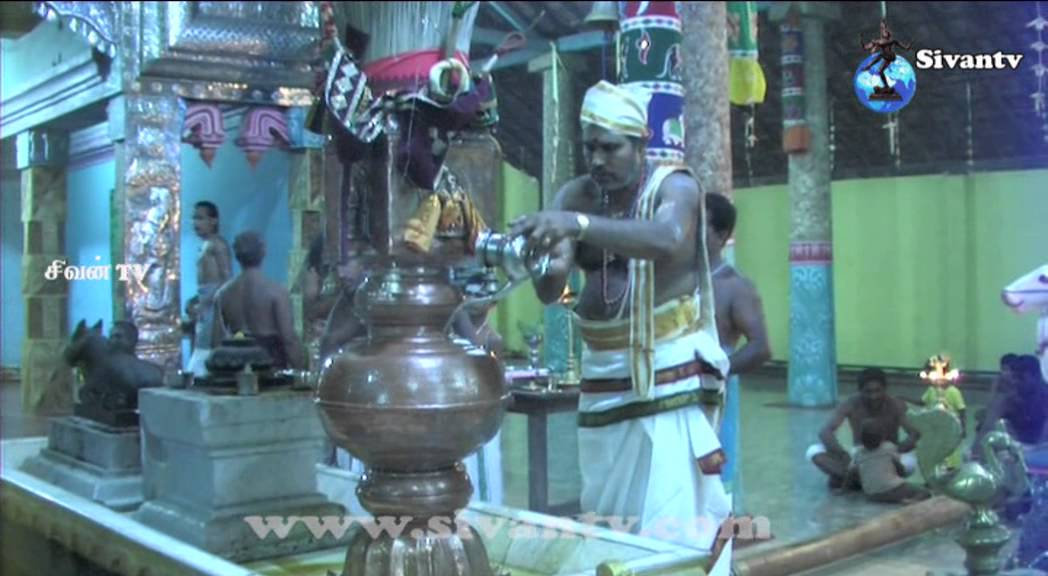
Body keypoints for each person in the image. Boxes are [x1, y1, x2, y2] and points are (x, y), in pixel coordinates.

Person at [509, 80, 731, 552]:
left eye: (610, 148)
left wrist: (577, 225)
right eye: (590, 147)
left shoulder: (676, 186)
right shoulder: (576, 195)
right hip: (602, 373)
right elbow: (550, 291)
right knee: (609, 515)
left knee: (670, 514)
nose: (597, 160)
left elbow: (667, 239)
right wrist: (540, 262)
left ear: (641, 142)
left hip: (666, 369)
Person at [704, 192, 772, 514]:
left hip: (714, 396)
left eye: (698, 226)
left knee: (715, 468)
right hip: (669, 392)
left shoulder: (734, 286)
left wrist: (718, 370)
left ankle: (721, 533)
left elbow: (761, 347)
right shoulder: (670, 279)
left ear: (721, 235)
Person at [807, 368, 921, 490]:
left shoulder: (896, 405)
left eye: (877, 391)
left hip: (888, 456)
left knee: (910, 464)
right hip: (860, 455)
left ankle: (850, 478)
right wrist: (843, 455)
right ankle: (871, 480)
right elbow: (825, 432)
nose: (873, 396)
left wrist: (894, 451)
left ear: (885, 389)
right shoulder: (851, 403)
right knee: (813, 451)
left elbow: (914, 433)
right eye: (868, 391)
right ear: (860, 390)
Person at [213, 231, 306, 370]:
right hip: (270, 366)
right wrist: (301, 370)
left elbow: (216, 342)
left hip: (236, 365)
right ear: (263, 252)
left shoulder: (222, 294)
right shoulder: (277, 292)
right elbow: (288, 339)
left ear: (236, 255)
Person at [186, 201, 232, 376]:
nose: (195, 223)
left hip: (213, 306)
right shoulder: (205, 245)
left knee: (206, 351)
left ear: (213, 221)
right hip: (205, 304)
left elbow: (226, 280)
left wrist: (207, 303)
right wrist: (195, 301)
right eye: (194, 218)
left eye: (200, 218)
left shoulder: (218, 244)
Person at [853, 419, 930, 504]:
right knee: (924, 492)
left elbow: (851, 472)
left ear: (861, 439)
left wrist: (844, 489)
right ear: (883, 437)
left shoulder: (858, 453)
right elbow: (900, 468)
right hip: (892, 489)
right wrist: (902, 475)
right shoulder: (888, 447)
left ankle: (901, 498)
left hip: (871, 495)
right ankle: (911, 501)